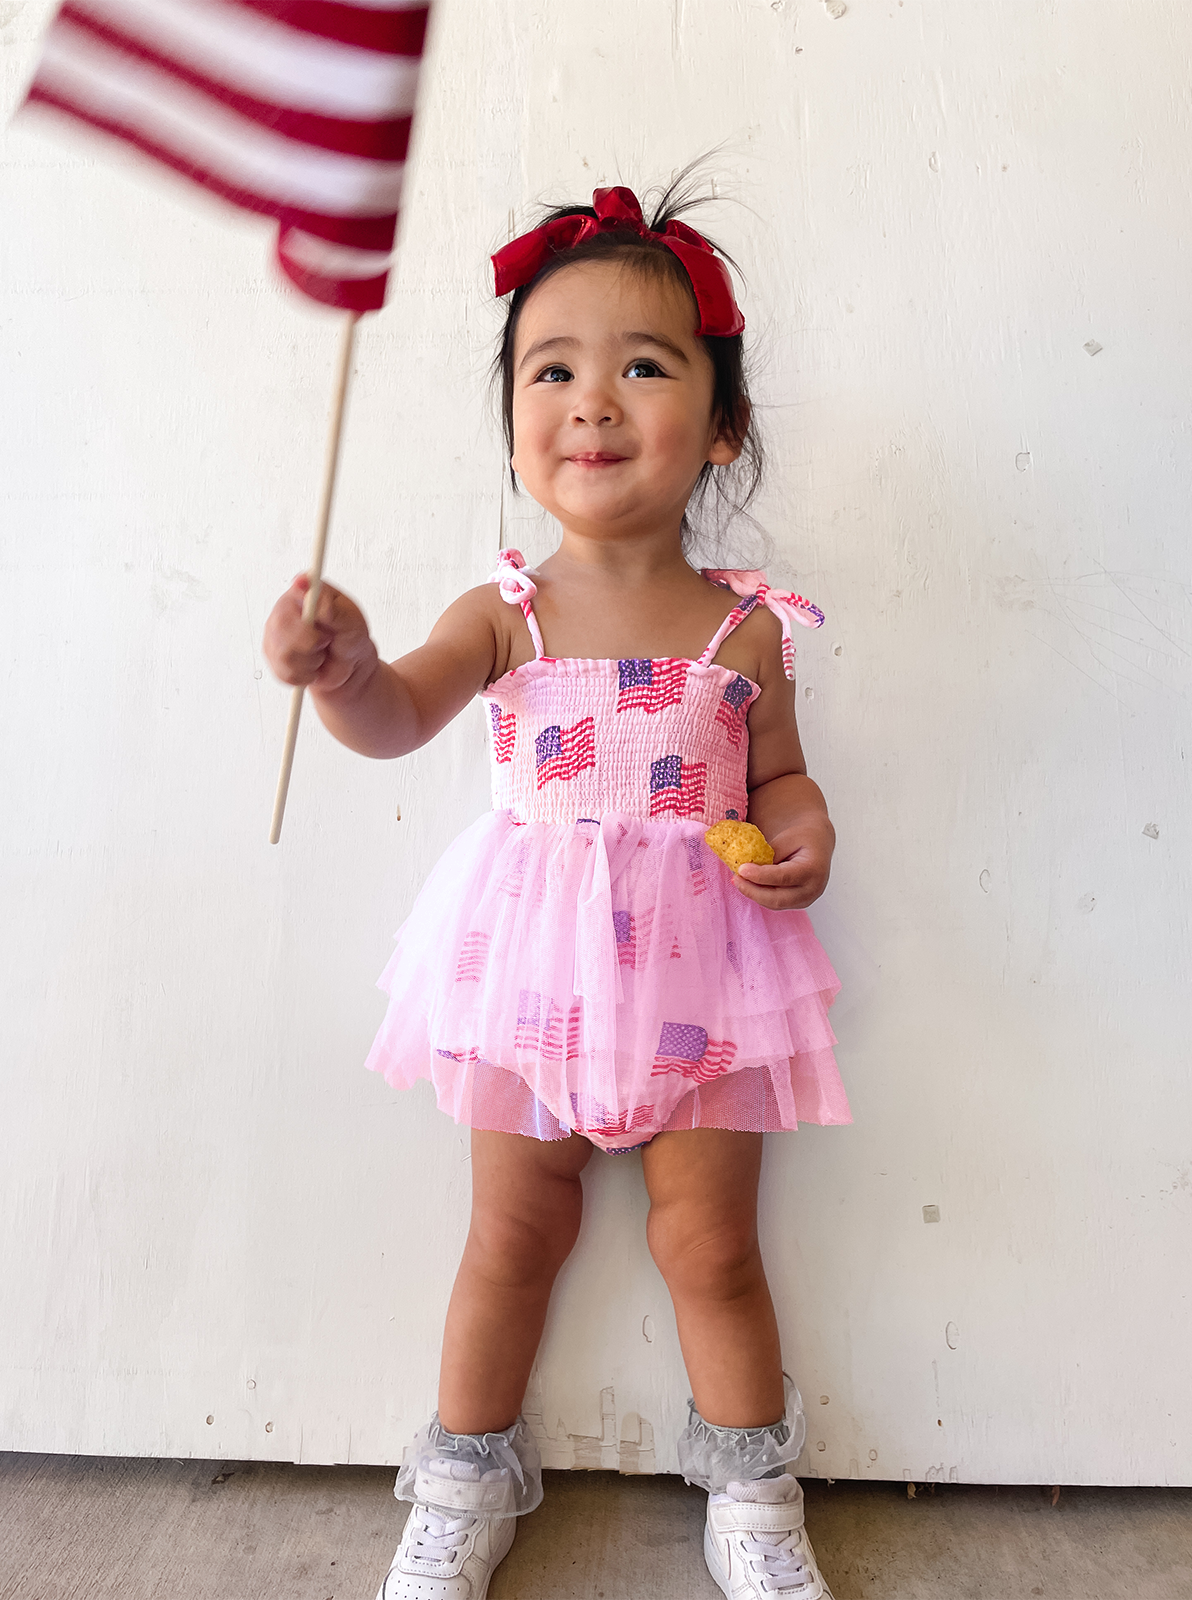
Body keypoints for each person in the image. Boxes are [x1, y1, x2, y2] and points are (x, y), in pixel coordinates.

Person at [263, 177, 850, 1600]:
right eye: (554, 368)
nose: (593, 401)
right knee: (513, 1230)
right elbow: (401, 715)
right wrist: (341, 670)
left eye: (643, 366)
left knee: (709, 1244)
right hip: (530, 974)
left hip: (706, 976)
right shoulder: (504, 609)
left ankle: (754, 1494)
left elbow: (779, 779)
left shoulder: (747, 629)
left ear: (721, 427)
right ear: (519, 420)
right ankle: (463, 1479)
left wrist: (805, 833)